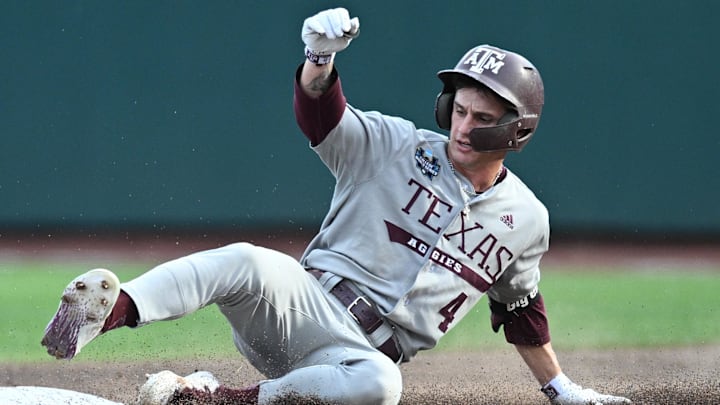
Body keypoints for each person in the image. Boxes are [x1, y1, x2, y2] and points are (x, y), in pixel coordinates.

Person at [41, 7, 632, 405]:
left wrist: (563, 391)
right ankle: (114, 308)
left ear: (516, 130)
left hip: (352, 360)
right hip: (302, 306)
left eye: (481, 118)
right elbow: (320, 116)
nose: (462, 123)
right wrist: (318, 61)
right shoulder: (395, 144)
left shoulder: (526, 221)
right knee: (248, 260)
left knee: (383, 384)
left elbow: (522, 310)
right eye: (458, 108)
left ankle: (208, 398)